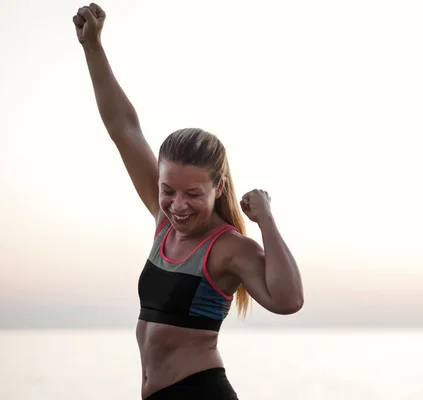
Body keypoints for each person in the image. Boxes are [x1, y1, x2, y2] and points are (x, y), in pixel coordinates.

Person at [72, 3, 304, 399]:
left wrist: (266, 221)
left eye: (193, 194)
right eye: (168, 190)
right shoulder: (164, 224)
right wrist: (92, 47)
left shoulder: (229, 247)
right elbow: (123, 128)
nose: (177, 205)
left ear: (218, 187)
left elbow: (288, 300)